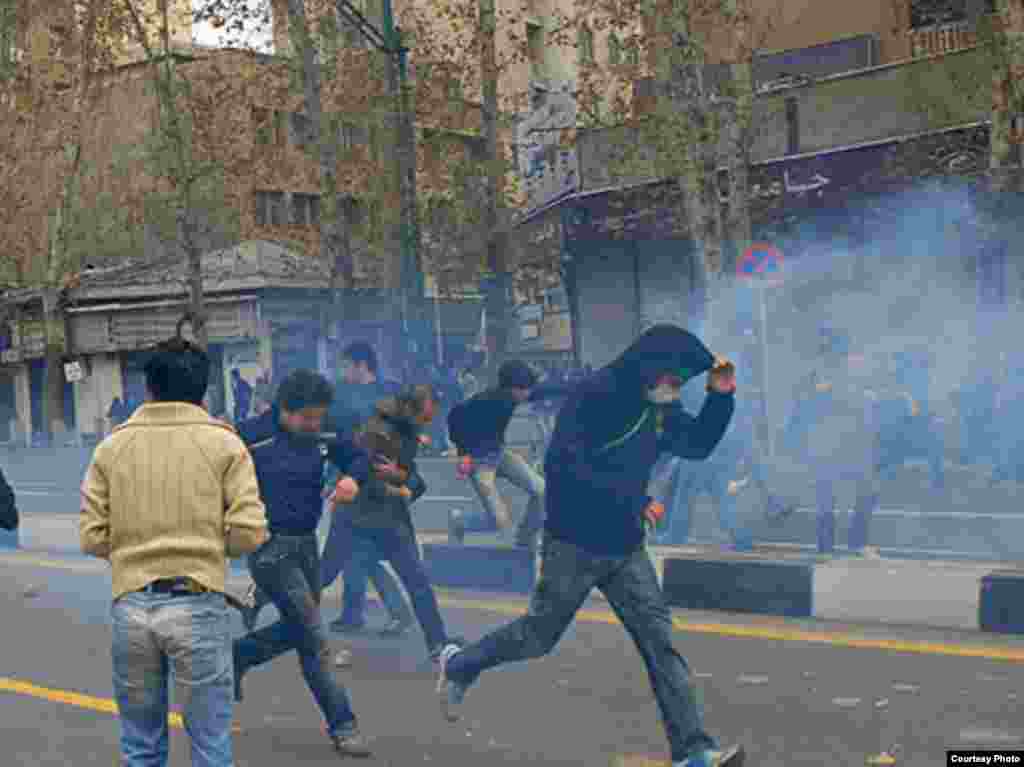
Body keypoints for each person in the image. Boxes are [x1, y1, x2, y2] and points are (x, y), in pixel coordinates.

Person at [435, 325, 743, 767]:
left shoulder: (660, 406)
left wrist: (721, 397)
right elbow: (564, 467)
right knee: (538, 636)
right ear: (653, 369)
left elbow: (696, 445)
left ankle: (693, 750)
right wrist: (634, 499)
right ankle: (461, 664)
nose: (676, 392)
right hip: (574, 543)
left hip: (626, 548)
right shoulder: (596, 395)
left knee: (660, 645)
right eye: (674, 381)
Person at [80, 337, 269, 767]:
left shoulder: (112, 447)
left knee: (141, 747)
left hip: (130, 607)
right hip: (197, 603)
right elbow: (250, 532)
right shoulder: (224, 444)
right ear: (203, 390)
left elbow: (92, 536)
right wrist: (203, 549)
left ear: (149, 387)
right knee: (209, 746)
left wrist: (134, 552)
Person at [231, 369, 373, 757]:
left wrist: (353, 480)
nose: (314, 425)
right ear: (283, 410)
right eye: (306, 418)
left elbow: (359, 458)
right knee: (313, 636)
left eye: (319, 418)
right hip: (268, 548)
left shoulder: (325, 431)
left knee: (300, 627)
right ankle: (343, 723)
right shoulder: (249, 436)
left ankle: (239, 655)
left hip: (307, 545)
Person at [343, 384, 463, 663]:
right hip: (371, 519)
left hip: (387, 517)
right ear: (411, 410)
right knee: (325, 573)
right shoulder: (380, 433)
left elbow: (410, 477)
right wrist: (402, 483)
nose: (427, 425)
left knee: (415, 580)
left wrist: (405, 480)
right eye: (425, 418)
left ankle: (437, 641)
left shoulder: (405, 429)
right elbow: (372, 478)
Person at [319, 341, 412, 636]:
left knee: (358, 551)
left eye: (347, 365)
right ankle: (354, 613)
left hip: (374, 486)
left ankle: (383, 612)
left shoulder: (384, 397)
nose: (343, 371)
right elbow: (339, 442)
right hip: (354, 482)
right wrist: (333, 477)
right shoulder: (348, 395)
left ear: (361, 365)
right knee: (356, 551)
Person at [781, 327, 881, 557]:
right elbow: (804, 408)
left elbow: (861, 406)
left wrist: (865, 402)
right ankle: (827, 547)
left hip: (852, 443)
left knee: (866, 489)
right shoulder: (814, 377)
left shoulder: (853, 375)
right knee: (827, 497)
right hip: (825, 444)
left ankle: (856, 543)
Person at [446, 360, 567, 549]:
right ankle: (460, 521)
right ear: (513, 388)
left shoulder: (514, 395)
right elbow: (454, 417)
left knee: (542, 491)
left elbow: (543, 390)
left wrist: (578, 387)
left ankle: (525, 539)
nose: (528, 394)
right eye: (525, 389)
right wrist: (463, 453)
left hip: (499, 454)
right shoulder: (486, 400)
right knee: (499, 523)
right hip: (479, 462)